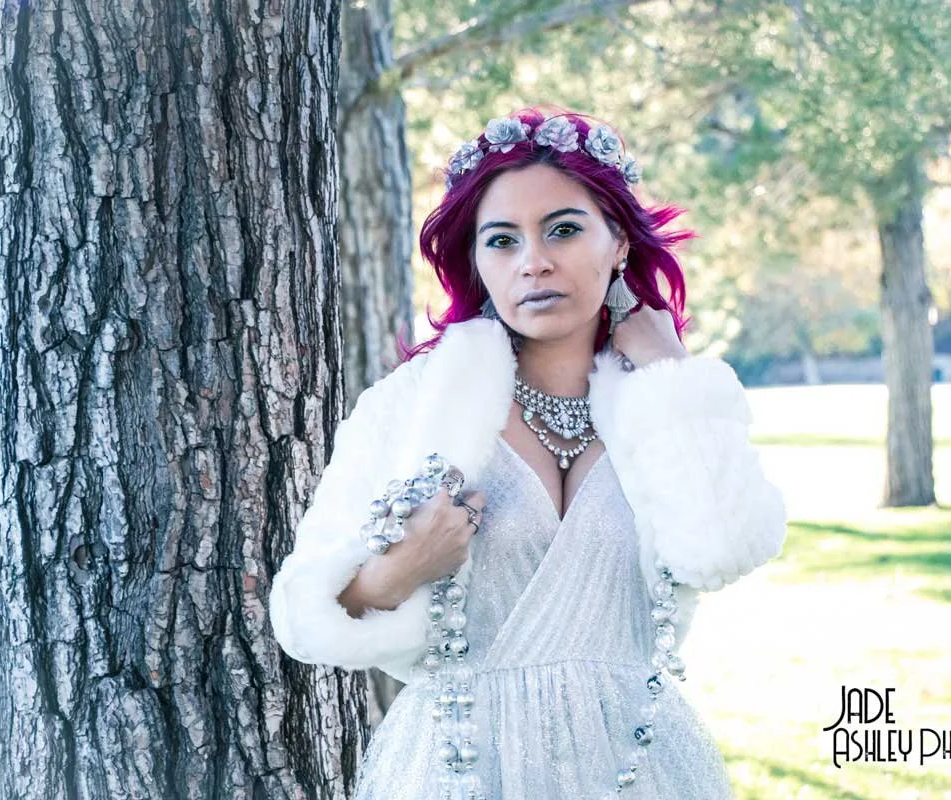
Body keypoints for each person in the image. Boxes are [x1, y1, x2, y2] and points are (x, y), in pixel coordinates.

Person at [268, 106, 788, 799]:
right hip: (461, 771)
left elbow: (724, 548)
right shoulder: (417, 405)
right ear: (478, 263)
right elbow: (306, 615)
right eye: (502, 241)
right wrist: (401, 569)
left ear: (620, 245)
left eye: (564, 230)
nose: (534, 262)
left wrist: (670, 376)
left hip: (639, 767)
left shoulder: (668, 399)